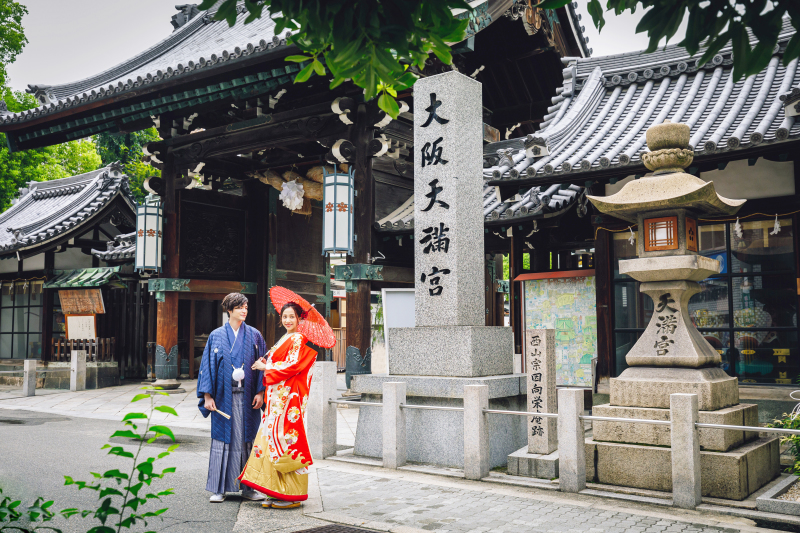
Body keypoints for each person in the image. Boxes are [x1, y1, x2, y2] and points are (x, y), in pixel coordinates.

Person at [239, 301, 318, 509]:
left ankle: (291, 493)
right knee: (271, 440)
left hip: (287, 400)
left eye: (292, 317)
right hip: (277, 401)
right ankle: (276, 489)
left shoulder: (299, 338)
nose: (288, 320)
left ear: (299, 319)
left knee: (285, 440)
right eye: (285, 317)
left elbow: (292, 366)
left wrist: (266, 366)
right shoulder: (285, 338)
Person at [197, 293, 267, 503]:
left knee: (249, 441)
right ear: (229, 309)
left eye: (246, 307)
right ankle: (220, 489)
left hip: (248, 397)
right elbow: (207, 367)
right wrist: (207, 396)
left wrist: (261, 392)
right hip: (222, 397)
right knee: (223, 441)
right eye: (239, 307)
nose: (244, 310)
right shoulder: (216, 336)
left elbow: (263, 364)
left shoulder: (254, 335)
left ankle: (249, 488)